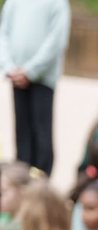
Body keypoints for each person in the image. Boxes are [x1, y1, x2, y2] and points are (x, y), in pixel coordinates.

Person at [0, 0, 71, 175]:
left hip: (43, 79)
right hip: (15, 74)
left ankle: (41, 180)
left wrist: (31, 71)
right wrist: (9, 66)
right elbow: (3, 33)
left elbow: (57, 41)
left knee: (41, 131)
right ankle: (21, 178)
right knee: (21, 130)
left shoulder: (57, 3)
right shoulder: (13, 2)